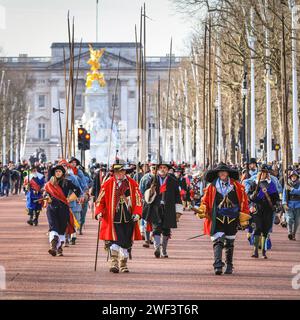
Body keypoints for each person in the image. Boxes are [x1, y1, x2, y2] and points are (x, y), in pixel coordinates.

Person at [196, 164, 250, 275]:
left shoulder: (238, 187)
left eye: (224, 172)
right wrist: (203, 209)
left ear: (228, 173)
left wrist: (244, 216)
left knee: (230, 242)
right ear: (217, 173)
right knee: (218, 241)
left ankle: (229, 265)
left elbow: (244, 202)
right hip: (217, 218)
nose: (222, 173)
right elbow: (205, 201)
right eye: (220, 172)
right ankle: (218, 265)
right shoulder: (211, 187)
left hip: (232, 218)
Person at [95, 160, 143, 273]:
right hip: (113, 217)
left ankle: (123, 263)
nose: (120, 174)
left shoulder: (132, 183)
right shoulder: (108, 183)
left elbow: (138, 200)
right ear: (114, 173)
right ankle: (114, 263)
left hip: (128, 217)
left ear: (125, 172)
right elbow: (100, 200)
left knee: (126, 242)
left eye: (122, 172)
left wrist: (137, 213)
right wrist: (99, 212)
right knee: (114, 240)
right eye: (117, 172)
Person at [142, 162, 182, 259]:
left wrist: (178, 211)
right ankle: (157, 248)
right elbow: (146, 193)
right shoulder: (152, 179)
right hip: (156, 207)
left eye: (164, 168)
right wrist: (151, 190)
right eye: (160, 168)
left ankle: (163, 250)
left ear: (168, 170)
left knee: (166, 230)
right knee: (156, 228)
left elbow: (177, 196)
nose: (162, 169)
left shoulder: (173, 180)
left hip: (169, 208)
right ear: (158, 169)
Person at [44, 165, 81, 257]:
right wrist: (47, 198)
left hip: (63, 208)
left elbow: (77, 190)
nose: (58, 173)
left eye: (60, 172)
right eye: (56, 172)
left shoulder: (67, 182)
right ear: (54, 173)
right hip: (52, 208)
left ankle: (59, 248)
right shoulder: (49, 184)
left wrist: (69, 199)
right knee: (53, 226)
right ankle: (53, 246)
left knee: (61, 228)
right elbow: (45, 193)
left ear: (63, 173)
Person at [248, 165, 280, 259]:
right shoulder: (255, 183)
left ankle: (263, 251)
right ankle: (255, 250)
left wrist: (277, 204)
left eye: (265, 172)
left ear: (267, 174)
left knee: (265, 230)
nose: (263, 174)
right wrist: (252, 196)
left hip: (268, 210)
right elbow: (249, 195)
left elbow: (276, 197)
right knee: (257, 228)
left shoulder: (271, 184)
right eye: (262, 172)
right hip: (257, 209)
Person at [282, 170, 300, 240]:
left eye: (295, 176)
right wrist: (284, 203)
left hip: (298, 205)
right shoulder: (287, 184)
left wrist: (291, 189)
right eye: (292, 176)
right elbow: (284, 195)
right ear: (290, 177)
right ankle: (289, 232)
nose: (293, 177)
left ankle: (293, 234)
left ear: (297, 177)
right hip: (289, 204)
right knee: (289, 219)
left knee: (297, 222)